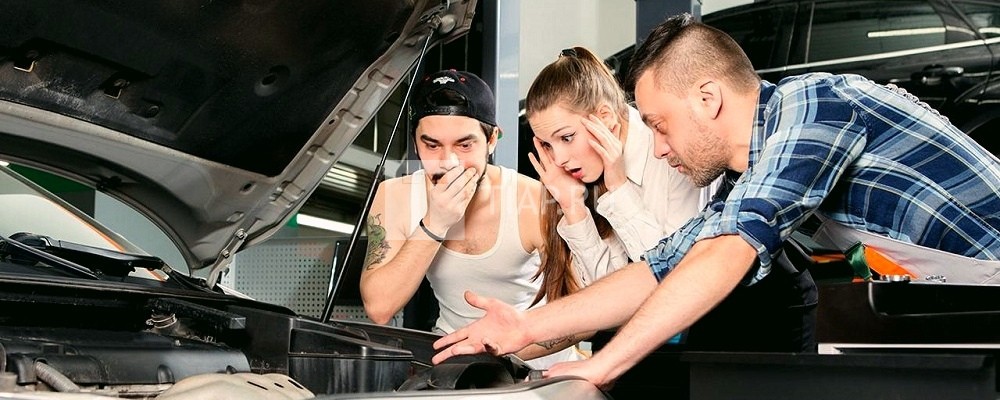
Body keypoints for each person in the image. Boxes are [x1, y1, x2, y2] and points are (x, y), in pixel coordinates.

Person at [431, 13, 1000, 388]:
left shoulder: (815, 105)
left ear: (707, 98)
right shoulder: (745, 176)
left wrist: (601, 368)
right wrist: (527, 327)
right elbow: (663, 266)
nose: (656, 146)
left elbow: (730, 249)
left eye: (659, 124)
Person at [359, 69, 583, 369]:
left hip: (537, 363)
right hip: (454, 361)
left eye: (465, 145)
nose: (449, 163)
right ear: (415, 142)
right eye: (432, 145)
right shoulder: (395, 195)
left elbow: (584, 315)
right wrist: (435, 224)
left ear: (492, 140)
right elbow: (379, 308)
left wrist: (497, 351)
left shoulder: (535, 200)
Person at [524, 46, 711, 304]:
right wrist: (573, 206)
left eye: (566, 138)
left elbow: (675, 276)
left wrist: (619, 188)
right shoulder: (584, 173)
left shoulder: (669, 151)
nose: (558, 160)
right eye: (547, 144)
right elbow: (606, 295)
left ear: (605, 117)